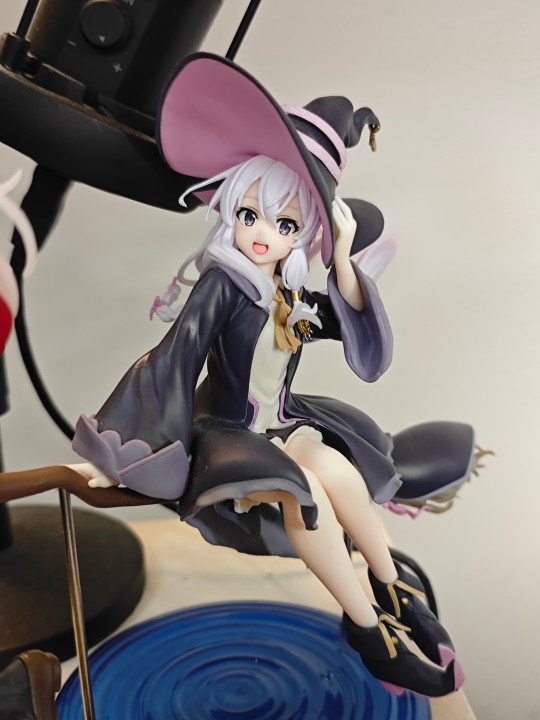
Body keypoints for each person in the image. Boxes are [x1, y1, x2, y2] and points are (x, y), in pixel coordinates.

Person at [67, 53, 464, 697]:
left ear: (302, 234)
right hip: (231, 429)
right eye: (248, 215)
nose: (260, 234)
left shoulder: (290, 292)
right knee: (307, 496)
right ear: (229, 209)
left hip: (285, 422)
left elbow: (355, 335)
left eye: (284, 224)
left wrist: (340, 256)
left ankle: (395, 591)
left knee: (342, 474)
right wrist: (129, 447)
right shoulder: (224, 284)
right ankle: (370, 631)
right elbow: (176, 354)